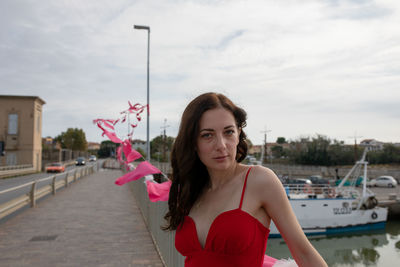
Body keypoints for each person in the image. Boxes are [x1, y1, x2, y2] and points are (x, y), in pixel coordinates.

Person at [163, 92, 327, 267]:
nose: (221, 145)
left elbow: (305, 254)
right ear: (193, 142)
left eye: (228, 132)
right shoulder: (191, 189)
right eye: (207, 135)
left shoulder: (260, 181)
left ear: (238, 133)